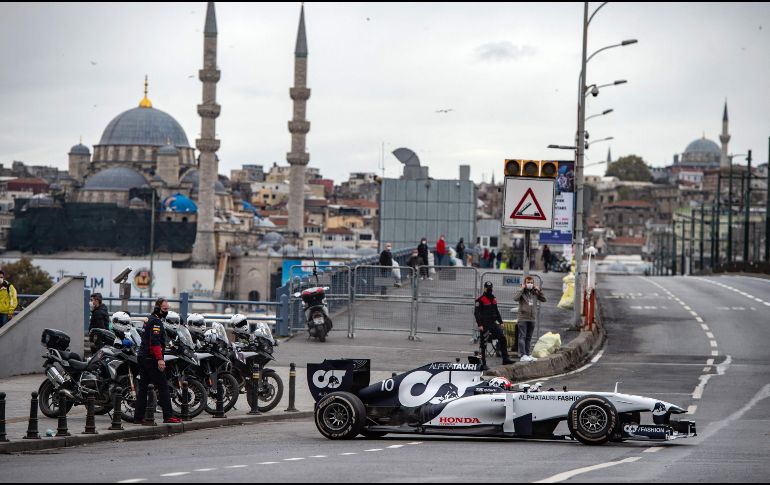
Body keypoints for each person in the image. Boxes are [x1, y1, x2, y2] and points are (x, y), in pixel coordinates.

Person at [133, 297, 182, 424]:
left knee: (143, 388)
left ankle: (138, 417)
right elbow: (154, 342)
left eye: (167, 309)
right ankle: (168, 416)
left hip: (143, 357)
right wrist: (160, 359)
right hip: (151, 358)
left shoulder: (149, 319)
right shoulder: (156, 322)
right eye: (164, 309)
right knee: (163, 386)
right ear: (157, 308)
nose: (166, 311)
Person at [474, 282, 514, 367]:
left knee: (502, 338)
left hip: (493, 323)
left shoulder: (493, 299)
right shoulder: (480, 299)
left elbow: (496, 311)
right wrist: (480, 324)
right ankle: (483, 363)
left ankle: (505, 359)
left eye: (490, 288)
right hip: (485, 325)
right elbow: (476, 313)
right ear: (484, 288)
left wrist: (501, 322)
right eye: (488, 288)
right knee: (483, 344)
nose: (489, 289)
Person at [512, 276, 547, 362]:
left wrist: (539, 290)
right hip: (523, 318)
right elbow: (515, 298)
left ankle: (528, 354)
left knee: (529, 337)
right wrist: (521, 289)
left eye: (531, 282)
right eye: (528, 282)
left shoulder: (535, 292)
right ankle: (523, 355)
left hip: (532, 318)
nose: (530, 284)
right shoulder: (521, 291)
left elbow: (544, 299)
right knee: (522, 337)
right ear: (525, 283)